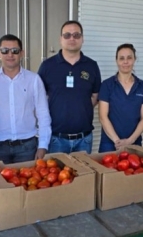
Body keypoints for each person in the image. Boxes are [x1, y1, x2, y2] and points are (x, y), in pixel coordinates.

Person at [0, 34, 51, 164]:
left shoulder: (33, 80)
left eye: (15, 51)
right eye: (5, 51)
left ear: (22, 53)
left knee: (28, 184)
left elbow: (43, 113)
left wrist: (43, 145)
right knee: (0, 184)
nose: (10, 55)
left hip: (28, 146)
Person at [38, 20, 101, 154]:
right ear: (61, 39)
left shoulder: (92, 66)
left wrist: (79, 108)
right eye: (67, 35)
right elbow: (40, 98)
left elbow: (95, 95)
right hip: (56, 139)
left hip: (84, 139)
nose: (72, 38)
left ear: (82, 39)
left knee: (84, 175)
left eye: (76, 35)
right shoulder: (47, 66)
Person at [98, 43, 143, 152]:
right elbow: (103, 116)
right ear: (116, 60)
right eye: (121, 58)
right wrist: (117, 142)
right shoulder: (107, 85)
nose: (125, 62)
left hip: (134, 143)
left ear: (134, 59)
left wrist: (130, 140)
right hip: (109, 144)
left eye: (129, 58)